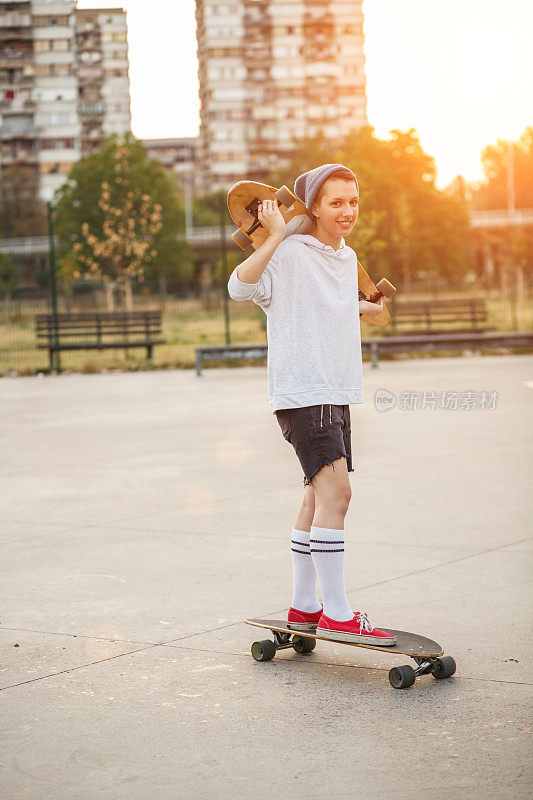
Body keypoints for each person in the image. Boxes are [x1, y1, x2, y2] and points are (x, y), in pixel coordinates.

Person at [227, 164, 396, 646]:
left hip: (337, 390)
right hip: (305, 393)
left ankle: (304, 607)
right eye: (336, 202)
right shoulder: (288, 252)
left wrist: (370, 308)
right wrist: (275, 237)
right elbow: (239, 287)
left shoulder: (346, 258)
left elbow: (334, 303)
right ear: (313, 206)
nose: (347, 211)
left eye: (353, 201)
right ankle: (338, 613)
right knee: (338, 497)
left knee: (316, 498)